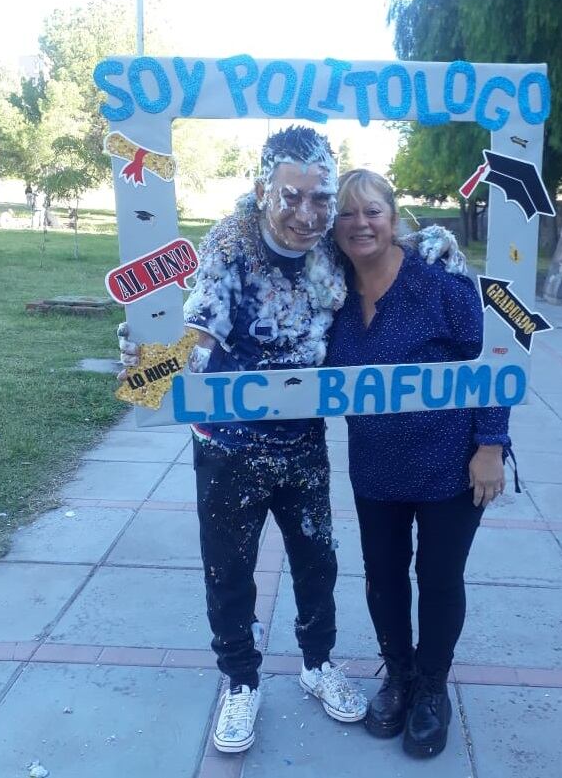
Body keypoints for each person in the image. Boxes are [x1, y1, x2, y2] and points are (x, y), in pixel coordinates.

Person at [117, 127, 463, 755]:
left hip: (303, 440)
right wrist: (150, 365)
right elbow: (199, 329)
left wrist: (431, 243)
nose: (308, 213)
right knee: (229, 569)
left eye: (320, 197)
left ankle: (316, 662)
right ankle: (241, 680)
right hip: (229, 442)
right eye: (292, 196)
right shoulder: (232, 243)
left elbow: (382, 242)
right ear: (263, 191)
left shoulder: (331, 243)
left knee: (317, 563)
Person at [326, 169, 515, 759]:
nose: (360, 224)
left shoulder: (441, 288)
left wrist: (490, 445)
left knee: (437, 578)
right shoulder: (327, 294)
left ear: (394, 217)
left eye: (372, 211)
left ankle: (431, 688)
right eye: (347, 214)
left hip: (449, 465)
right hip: (376, 466)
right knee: (381, 574)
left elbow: (491, 361)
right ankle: (399, 676)